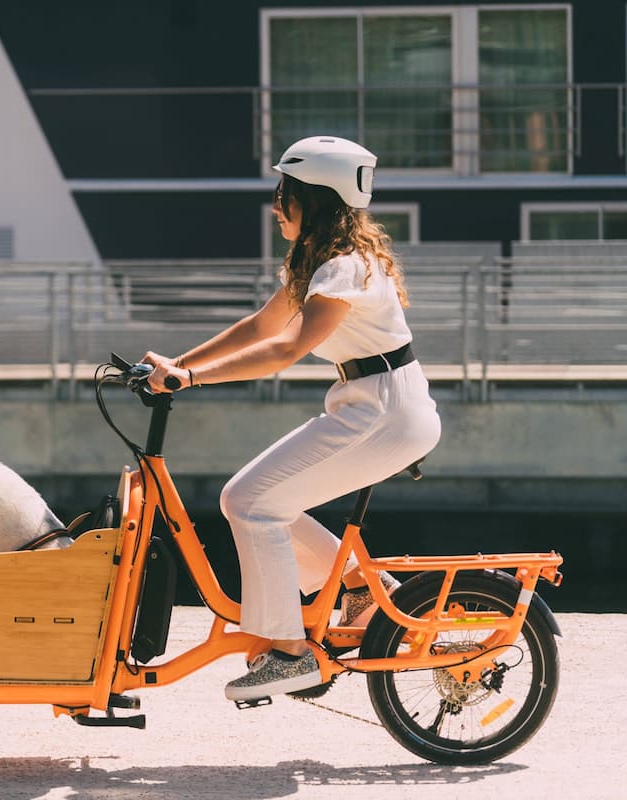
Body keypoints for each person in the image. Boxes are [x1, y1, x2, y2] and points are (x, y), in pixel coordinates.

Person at [143, 135, 441, 701]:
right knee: (246, 499)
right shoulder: (320, 262)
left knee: (255, 502)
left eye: (285, 194)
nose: (276, 206)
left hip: (384, 412)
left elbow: (285, 349)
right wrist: (176, 363)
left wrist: (192, 379)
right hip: (370, 403)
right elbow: (260, 326)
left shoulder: (344, 269)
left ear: (316, 200)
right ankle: (357, 586)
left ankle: (288, 652)